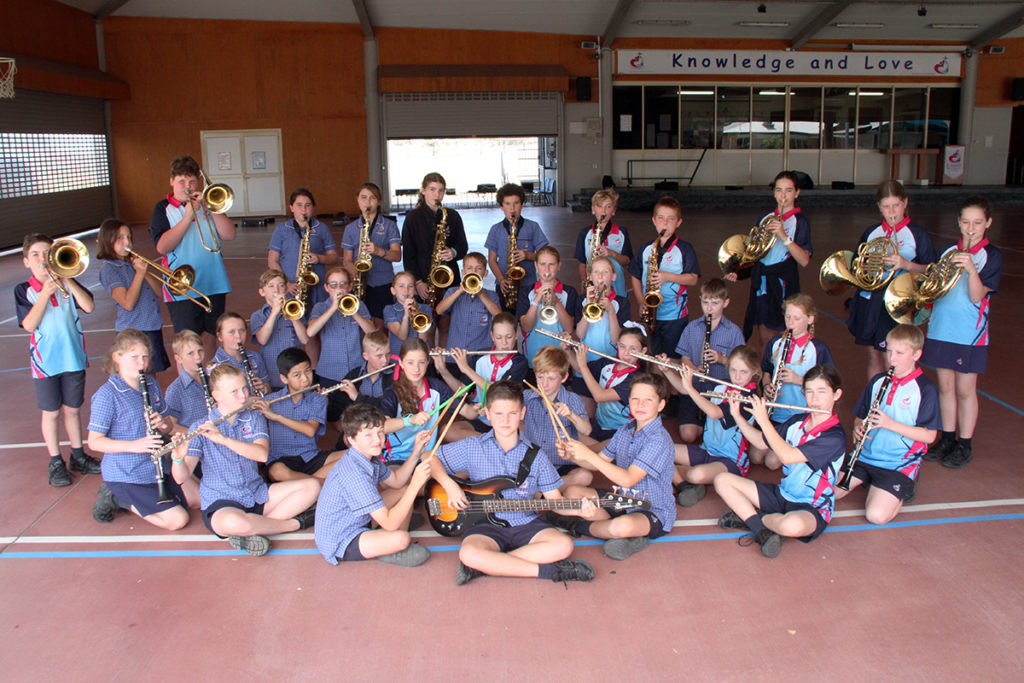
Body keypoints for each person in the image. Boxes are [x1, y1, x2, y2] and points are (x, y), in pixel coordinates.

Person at [430, 380, 595, 585]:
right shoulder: (473, 447)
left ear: (522, 413)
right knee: (469, 553)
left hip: (526, 522)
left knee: (563, 545)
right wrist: (449, 485)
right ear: (488, 414)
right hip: (484, 524)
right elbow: (430, 457)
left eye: (512, 413)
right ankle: (549, 571)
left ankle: (491, 565)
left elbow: (555, 501)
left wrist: (579, 511)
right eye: (498, 414)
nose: (505, 420)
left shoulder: (537, 456)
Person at [171, 363, 320, 556]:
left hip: (257, 494)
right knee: (235, 523)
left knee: (312, 487)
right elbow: (181, 477)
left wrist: (223, 440)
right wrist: (177, 459)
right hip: (222, 502)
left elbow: (261, 454)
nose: (243, 396)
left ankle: (254, 530)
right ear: (217, 396)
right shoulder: (200, 428)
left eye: (244, 388)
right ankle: (293, 524)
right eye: (234, 391)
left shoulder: (253, 418)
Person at [714, 365, 847, 558]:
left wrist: (764, 420)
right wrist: (737, 415)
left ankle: (753, 519)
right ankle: (761, 529)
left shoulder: (834, 437)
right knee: (722, 480)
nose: (814, 398)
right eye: (809, 392)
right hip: (783, 494)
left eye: (821, 391)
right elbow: (761, 442)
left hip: (811, 507)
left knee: (789, 526)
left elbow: (787, 456)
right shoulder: (797, 421)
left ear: (836, 395)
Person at [551, 373, 676, 561]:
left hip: (652, 509)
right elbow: (596, 461)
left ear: (661, 405)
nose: (640, 405)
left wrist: (587, 454)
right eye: (635, 399)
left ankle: (575, 525)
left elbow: (628, 479)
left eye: (648, 400)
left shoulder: (658, 440)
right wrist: (572, 456)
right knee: (573, 492)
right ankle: (621, 533)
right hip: (624, 501)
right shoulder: (626, 430)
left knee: (621, 527)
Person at [921, 196, 1002, 469]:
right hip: (941, 329)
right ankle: (947, 438)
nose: (971, 228)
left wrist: (970, 269)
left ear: (988, 223)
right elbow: (933, 287)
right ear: (958, 222)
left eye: (978, 222)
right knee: (944, 387)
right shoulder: (945, 251)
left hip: (969, 334)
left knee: (965, 391)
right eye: (966, 222)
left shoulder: (990, 255)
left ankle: (964, 444)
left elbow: (978, 295)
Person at [89, 329, 197, 528]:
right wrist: (136, 445)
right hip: (126, 472)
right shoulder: (107, 395)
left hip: (154, 466)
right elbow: (94, 441)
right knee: (178, 520)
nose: (141, 363)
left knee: (196, 500)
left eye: (145, 357)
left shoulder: (151, 384)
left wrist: (163, 424)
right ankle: (117, 498)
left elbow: (168, 425)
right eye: (134, 357)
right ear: (117, 358)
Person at [15, 233, 100, 486]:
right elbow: (29, 324)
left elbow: (89, 307)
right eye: (35, 255)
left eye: (46, 254)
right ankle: (55, 461)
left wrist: (67, 280)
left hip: (73, 359)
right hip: (45, 364)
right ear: (26, 261)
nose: (42, 260)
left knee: (73, 411)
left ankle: (77, 455)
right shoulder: (25, 290)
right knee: (51, 413)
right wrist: (45, 293)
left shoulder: (67, 283)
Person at [837, 325, 939, 523]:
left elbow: (929, 436)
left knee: (876, 516)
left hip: (898, 463)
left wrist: (890, 424)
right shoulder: (878, 381)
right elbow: (861, 416)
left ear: (916, 354)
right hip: (866, 455)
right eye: (889, 351)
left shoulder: (925, 389)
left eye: (900, 353)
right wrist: (858, 428)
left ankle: (903, 486)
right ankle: (870, 480)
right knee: (828, 493)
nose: (892, 358)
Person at [314, 405, 433, 567]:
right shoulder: (354, 473)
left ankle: (385, 538)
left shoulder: (368, 457)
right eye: (368, 435)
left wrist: (416, 452)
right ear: (351, 439)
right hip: (342, 539)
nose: (377, 440)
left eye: (380, 432)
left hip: (357, 519)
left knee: (402, 491)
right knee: (401, 538)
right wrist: (416, 484)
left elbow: (397, 480)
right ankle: (390, 546)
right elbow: (389, 523)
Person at [845, 180, 936, 379]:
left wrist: (906, 264)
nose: (892, 211)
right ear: (879, 207)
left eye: (896, 205)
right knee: (874, 358)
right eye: (886, 206)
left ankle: (891, 405)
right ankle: (874, 404)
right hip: (871, 302)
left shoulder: (917, 234)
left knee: (892, 360)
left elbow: (931, 271)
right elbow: (857, 265)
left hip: (898, 304)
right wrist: (867, 267)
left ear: (905, 203)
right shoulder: (871, 232)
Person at [725, 170, 812, 351]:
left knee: (784, 339)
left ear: (797, 193)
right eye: (779, 190)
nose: (783, 195)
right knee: (765, 338)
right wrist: (737, 270)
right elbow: (754, 253)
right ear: (774, 192)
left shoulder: (800, 221)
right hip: (763, 282)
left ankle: (780, 376)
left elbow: (804, 260)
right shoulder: (764, 218)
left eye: (788, 190)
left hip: (784, 283)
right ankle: (766, 378)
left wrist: (783, 235)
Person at [150, 155, 234, 337]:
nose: (187, 186)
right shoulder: (162, 209)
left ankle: (210, 366)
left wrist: (211, 207)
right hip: (183, 287)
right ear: (171, 181)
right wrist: (188, 216)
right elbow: (162, 247)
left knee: (214, 334)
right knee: (188, 338)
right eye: (181, 181)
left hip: (214, 282)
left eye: (192, 181)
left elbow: (229, 235)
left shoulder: (209, 205)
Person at [668, 346, 760, 508]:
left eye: (743, 372)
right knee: (661, 449)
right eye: (733, 370)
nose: (737, 376)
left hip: (730, 460)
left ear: (754, 372)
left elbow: (714, 413)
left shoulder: (749, 398)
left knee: (695, 474)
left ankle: (679, 477)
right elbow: (684, 389)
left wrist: (690, 387)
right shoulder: (721, 386)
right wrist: (666, 371)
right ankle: (684, 483)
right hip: (707, 450)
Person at [757, 294, 834, 468]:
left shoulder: (818, 348)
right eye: (788, 316)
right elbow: (766, 370)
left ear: (810, 319)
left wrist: (799, 379)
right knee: (755, 456)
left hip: (801, 415)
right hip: (777, 412)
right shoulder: (776, 342)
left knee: (771, 462)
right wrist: (767, 385)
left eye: (797, 318)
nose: (790, 322)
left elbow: (829, 383)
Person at [670, 278, 745, 444]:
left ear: (726, 303)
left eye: (715, 303)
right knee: (688, 435)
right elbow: (685, 358)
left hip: (720, 388)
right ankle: (701, 421)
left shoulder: (734, 332)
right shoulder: (692, 328)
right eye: (705, 302)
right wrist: (694, 368)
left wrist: (721, 359)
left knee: (718, 434)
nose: (709, 308)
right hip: (696, 385)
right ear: (700, 301)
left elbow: (743, 366)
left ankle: (707, 422)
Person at [380, 338, 476, 465]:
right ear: (401, 363)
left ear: (427, 362)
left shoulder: (436, 387)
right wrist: (410, 420)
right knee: (402, 483)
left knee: (466, 469)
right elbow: (383, 426)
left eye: (421, 362)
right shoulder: (392, 392)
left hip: (427, 457)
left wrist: (479, 410)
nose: (416, 369)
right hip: (397, 457)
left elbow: (469, 413)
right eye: (410, 363)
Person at [96, 218, 170, 373]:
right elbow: (127, 303)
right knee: (137, 377)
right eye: (120, 238)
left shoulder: (132, 263)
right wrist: (140, 273)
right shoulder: (109, 269)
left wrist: (146, 272)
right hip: (133, 330)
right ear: (108, 240)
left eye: (129, 237)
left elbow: (159, 292)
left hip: (151, 325)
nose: (127, 242)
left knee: (151, 376)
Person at [628, 197, 700, 356]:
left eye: (671, 219)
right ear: (654, 220)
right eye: (661, 218)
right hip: (651, 312)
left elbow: (693, 278)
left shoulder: (684, 249)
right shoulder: (646, 248)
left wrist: (668, 276)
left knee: (672, 358)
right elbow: (635, 275)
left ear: (679, 222)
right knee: (651, 355)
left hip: (675, 316)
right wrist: (641, 301)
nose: (665, 223)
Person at [306, 266, 375, 423]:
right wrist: (332, 308)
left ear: (350, 286)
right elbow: (310, 332)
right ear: (326, 288)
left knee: (356, 416)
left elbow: (371, 332)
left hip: (356, 370)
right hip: (330, 372)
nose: (339, 289)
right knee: (332, 416)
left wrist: (354, 312)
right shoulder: (321, 307)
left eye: (343, 284)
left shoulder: (358, 305)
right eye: (334, 285)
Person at [257, 348, 337, 482]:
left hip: (310, 457)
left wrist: (277, 417)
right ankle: (320, 483)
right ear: (284, 378)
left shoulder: (318, 399)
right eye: (296, 375)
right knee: (277, 472)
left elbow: (310, 430)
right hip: (282, 460)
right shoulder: (269, 402)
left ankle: (309, 483)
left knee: (352, 455)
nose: (305, 379)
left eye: (307, 371)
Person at [522, 346, 593, 489]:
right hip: (533, 464)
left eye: (551, 378)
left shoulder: (572, 400)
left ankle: (541, 490)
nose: (544, 384)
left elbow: (586, 430)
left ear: (564, 377)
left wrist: (571, 415)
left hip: (563, 464)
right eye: (540, 377)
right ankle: (549, 489)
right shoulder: (526, 397)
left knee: (585, 476)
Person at [448, 312, 528, 432]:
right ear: (492, 336)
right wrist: (441, 369)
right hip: (479, 415)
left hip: (504, 419)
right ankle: (489, 443)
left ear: (516, 335)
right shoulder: (480, 356)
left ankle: (487, 443)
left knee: (524, 431)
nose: (504, 342)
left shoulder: (519, 362)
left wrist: (467, 369)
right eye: (499, 337)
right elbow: (461, 391)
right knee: (449, 431)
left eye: (509, 337)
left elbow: (499, 393)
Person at [569, 326, 648, 442]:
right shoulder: (609, 363)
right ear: (617, 345)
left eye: (633, 349)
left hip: (620, 432)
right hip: (600, 425)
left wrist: (583, 366)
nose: (626, 353)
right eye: (622, 347)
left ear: (643, 351)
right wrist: (566, 349)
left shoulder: (637, 379)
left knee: (588, 449)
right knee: (569, 433)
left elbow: (600, 396)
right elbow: (579, 370)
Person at [267, 188, 339, 313]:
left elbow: (334, 257)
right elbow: (272, 261)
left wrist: (319, 258)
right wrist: (287, 283)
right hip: (292, 287)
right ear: (291, 207)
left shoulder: (321, 228)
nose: (303, 209)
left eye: (307, 205)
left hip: (318, 286)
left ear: (313, 208)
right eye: (299, 205)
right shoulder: (282, 229)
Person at [401, 172, 468, 305]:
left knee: (447, 320)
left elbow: (463, 246)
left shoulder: (452, 216)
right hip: (424, 279)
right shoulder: (412, 218)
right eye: (432, 189)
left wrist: (453, 252)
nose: (437, 195)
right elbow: (408, 255)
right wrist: (418, 282)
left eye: (441, 190)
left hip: (449, 277)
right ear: (423, 191)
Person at [433, 251, 502, 379]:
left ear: (485, 273)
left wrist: (480, 293)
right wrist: (459, 291)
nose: (473, 271)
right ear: (463, 272)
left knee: (479, 393)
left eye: (479, 268)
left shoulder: (491, 295)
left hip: (480, 357)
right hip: (453, 356)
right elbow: (439, 310)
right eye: (469, 268)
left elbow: (499, 316)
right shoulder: (453, 291)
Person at [340, 183, 401, 324]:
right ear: (357, 199)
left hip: (383, 282)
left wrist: (379, 251)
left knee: (381, 326)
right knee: (361, 324)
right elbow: (347, 260)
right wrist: (357, 274)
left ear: (378, 201)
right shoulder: (350, 228)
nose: (368, 202)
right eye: (364, 197)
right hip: (360, 284)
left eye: (373, 198)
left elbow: (397, 256)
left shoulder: (389, 225)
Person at [484, 183, 549, 316]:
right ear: (501, 206)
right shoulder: (495, 230)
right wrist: (501, 280)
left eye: (516, 203)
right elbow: (491, 260)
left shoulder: (533, 227)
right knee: (506, 321)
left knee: (528, 319)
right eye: (507, 204)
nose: (512, 208)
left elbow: (546, 256)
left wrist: (527, 255)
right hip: (504, 285)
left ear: (522, 204)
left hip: (528, 284)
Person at [521, 246, 581, 368]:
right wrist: (536, 300)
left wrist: (557, 302)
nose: (547, 269)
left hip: (561, 358)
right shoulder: (526, 292)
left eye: (552, 264)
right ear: (536, 265)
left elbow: (569, 328)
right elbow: (526, 327)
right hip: (534, 356)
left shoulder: (569, 292)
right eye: (542, 264)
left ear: (559, 265)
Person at [250, 269, 308, 391]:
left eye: (281, 286)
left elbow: (305, 339)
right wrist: (275, 312)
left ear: (286, 289)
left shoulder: (296, 310)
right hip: (272, 373)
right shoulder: (258, 316)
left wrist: (292, 315)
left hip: (295, 373)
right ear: (262, 292)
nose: (276, 290)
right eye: (270, 286)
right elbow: (262, 340)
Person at [574, 189, 633, 300]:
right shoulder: (585, 233)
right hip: (593, 286)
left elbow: (627, 261)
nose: (604, 211)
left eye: (608, 207)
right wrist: (584, 280)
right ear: (593, 210)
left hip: (617, 287)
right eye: (599, 206)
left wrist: (611, 253)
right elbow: (582, 263)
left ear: (614, 211)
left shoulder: (621, 232)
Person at [575, 256, 630, 367]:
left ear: (614, 277)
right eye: (596, 272)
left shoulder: (622, 303)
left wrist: (611, 311)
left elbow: (616, 340)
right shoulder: (582, 300)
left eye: (605, 272)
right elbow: (580, 334)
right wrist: (589, 305)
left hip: (610, 361)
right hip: (586, 359)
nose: (600, 276)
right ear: (590, 277)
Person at [328, 330, 394, 420]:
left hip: (387, 428)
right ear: (365, 356)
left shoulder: (396, 375)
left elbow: (389, 407)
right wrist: (325, 402)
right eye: (379, 356)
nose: (385, 360)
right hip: (358, 430)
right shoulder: (354, 376)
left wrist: (357, 397)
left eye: (388, 354)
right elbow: (334, 415)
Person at [211, 312, 271, 397]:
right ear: (220, 336)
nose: (238, 336)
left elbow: (268, 388)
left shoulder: (255, 357)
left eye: (242, 330)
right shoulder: (215, 366)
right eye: (231, 332)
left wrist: (263, 389)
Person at [164, 330, 214, 431]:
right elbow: (171, 427)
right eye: (190, 353)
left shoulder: (214, 380)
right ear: (178, 359)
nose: (198, 357)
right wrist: (198, 437)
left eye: (200, 351)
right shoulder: (175, 390)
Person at [383, 271, 434, 357]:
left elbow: (423, 338)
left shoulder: (425, 309)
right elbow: (402, 336)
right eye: (401, 286)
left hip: (421, 357)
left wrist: (418, 314)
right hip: (399, 359)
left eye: (410, 286)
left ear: (415, 290)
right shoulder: (389, 310)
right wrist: (406, 315)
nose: (406, 290)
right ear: (393, 291)